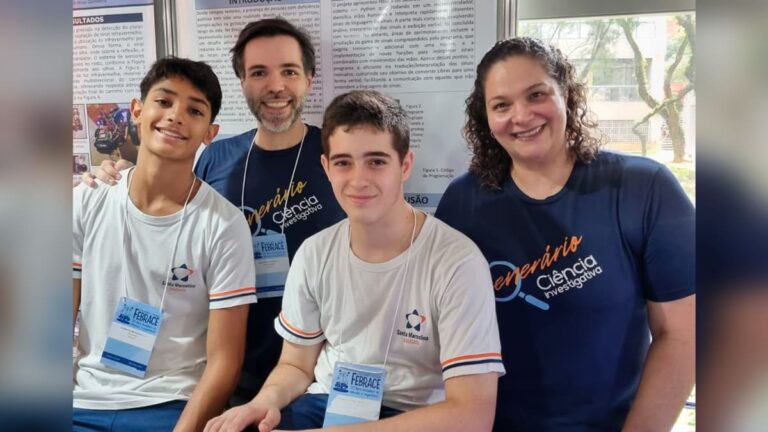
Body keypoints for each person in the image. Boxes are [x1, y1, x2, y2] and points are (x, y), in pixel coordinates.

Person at [435, 37, 696, 432]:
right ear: (485, 117)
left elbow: (681, 334)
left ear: (566, 95)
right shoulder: (462, 202)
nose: (521, 116)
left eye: (536, 94)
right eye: (501, 105)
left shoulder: (645, 188)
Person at [205, 90, 505, 432]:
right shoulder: (315, 253)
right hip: (327, 406)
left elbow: (472, 415)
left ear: (405, 165)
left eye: (376, 161)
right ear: (326, 167)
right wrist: (263, 402)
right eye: (343, 162)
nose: (359, 180)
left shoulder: (456, 262)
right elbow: (296, 366)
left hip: (415, 417)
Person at [81, 18, 345, 405]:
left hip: (313, 375)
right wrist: (116, 175)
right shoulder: (217, 156)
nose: (275, 86)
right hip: (222, 376)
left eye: (288, 71)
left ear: (308, 78)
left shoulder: (340, 158)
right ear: (243, 82)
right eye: (259, 72)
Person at [72, 57, 257, 431]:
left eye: (194, 110)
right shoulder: (87, 199)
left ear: (210, 132)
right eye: (164, 101)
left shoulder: (223, 224)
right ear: (137, 111)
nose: (175, 116)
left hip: (171, 405)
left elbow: (224, 362)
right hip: (84, 399)